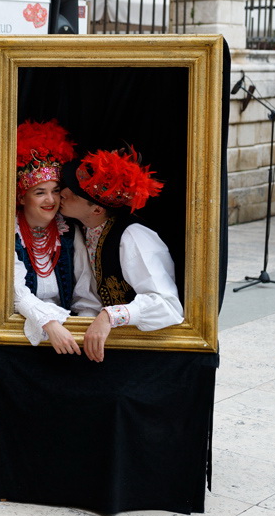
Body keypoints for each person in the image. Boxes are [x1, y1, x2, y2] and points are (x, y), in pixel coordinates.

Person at [59, 147, 183, 363]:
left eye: (74, 193)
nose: (63, 193)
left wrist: (110, 316)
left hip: (141, 353)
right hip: (105, 347)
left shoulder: (133, 237)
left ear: (97, 210)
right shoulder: (84, 230)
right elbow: (88, 296)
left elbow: (168, 306)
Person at [11, 120, 99, 354]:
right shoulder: (11, 233)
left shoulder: (68, 232)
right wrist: (49, 324)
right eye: (40, 192)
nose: (50, 200)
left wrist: (82, 329)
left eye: (55, 191)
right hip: (20, 335)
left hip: (68, 333)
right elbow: (16, 293)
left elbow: (85, 294)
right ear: (22, 198)